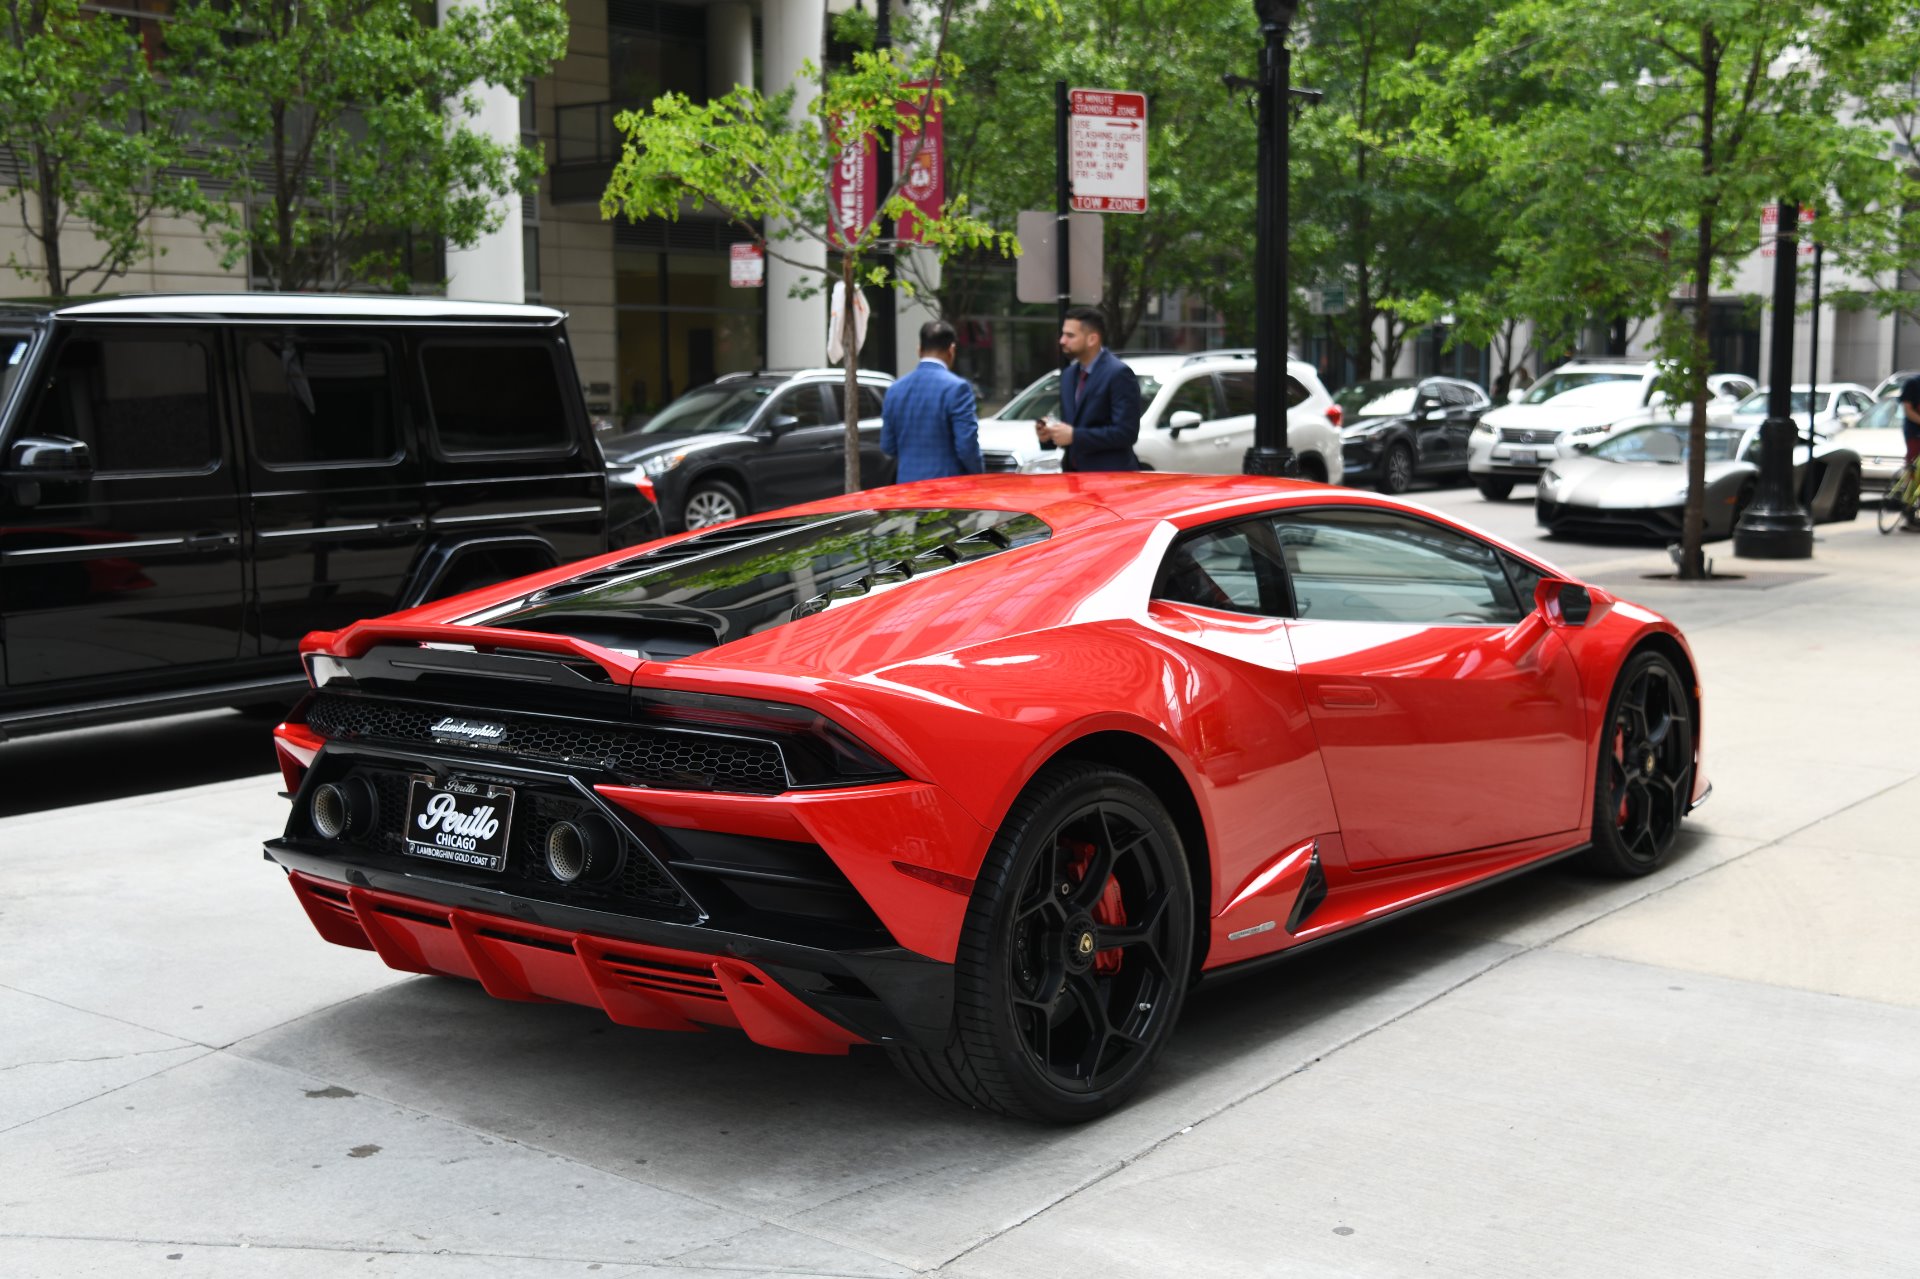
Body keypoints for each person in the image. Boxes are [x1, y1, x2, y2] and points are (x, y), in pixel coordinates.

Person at [1037, 307, 1142, 471]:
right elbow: (1073, 426)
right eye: (1063, 334)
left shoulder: (1118, 374)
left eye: (1070, 335)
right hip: (1073, 479)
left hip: (1110, 479)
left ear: (1092, 339)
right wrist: (1049, 436)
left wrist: (1074, 436)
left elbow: (1126, 433)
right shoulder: (1069, 375)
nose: (1062, 341)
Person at [879, 319, 983, 483]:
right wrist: (979, 476)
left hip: (906, 487)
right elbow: (966, 447)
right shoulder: (957, 388)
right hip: (946, 489)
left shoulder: (895, 390)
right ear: (952, 350)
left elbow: (887, 446)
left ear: (919, 350)